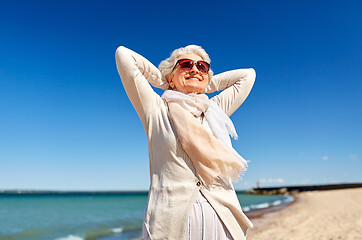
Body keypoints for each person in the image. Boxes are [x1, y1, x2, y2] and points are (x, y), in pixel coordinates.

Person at [115, 45, 256, 240]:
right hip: (170, 227)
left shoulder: (214, 110)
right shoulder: (156, 111)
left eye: (202, 66)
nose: (195, 69)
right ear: (171, 77)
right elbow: (124, 56)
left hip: (222, 222)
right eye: (185, 64)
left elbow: (247, 76)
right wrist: (166, 81)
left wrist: (203, 82)